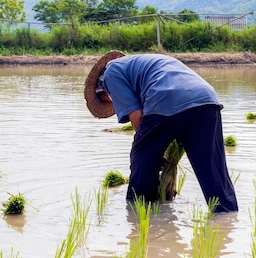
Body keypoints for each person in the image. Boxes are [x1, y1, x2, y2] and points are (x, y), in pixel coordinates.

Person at [84, 50, 238, 213]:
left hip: (166, 98)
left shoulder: (110, 73)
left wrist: (150, 150)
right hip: (206, 100)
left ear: (103, 91)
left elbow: (138, 118)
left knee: (142, 157)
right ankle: (227, 215)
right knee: (212, 167)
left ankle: (139, 212)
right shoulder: (148, 61)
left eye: (109, 99)